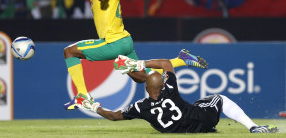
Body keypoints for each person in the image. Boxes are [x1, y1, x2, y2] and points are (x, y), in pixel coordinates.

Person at [63, 0, 208, 110]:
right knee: (142, 77)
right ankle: (181, 60)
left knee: (69, 52)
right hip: (125, 41)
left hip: (113, 43)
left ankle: (82, 96)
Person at [78, 55, 279, 134]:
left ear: (147, 88)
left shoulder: (140, 107)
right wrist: (137, 64)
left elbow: (113, 116)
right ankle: (253, 127)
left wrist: (93, 106)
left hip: (181, 129)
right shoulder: (170, 90)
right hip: (202, 121)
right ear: (162, 84)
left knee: (201, 102)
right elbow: (166, 64)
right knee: (219, 98)